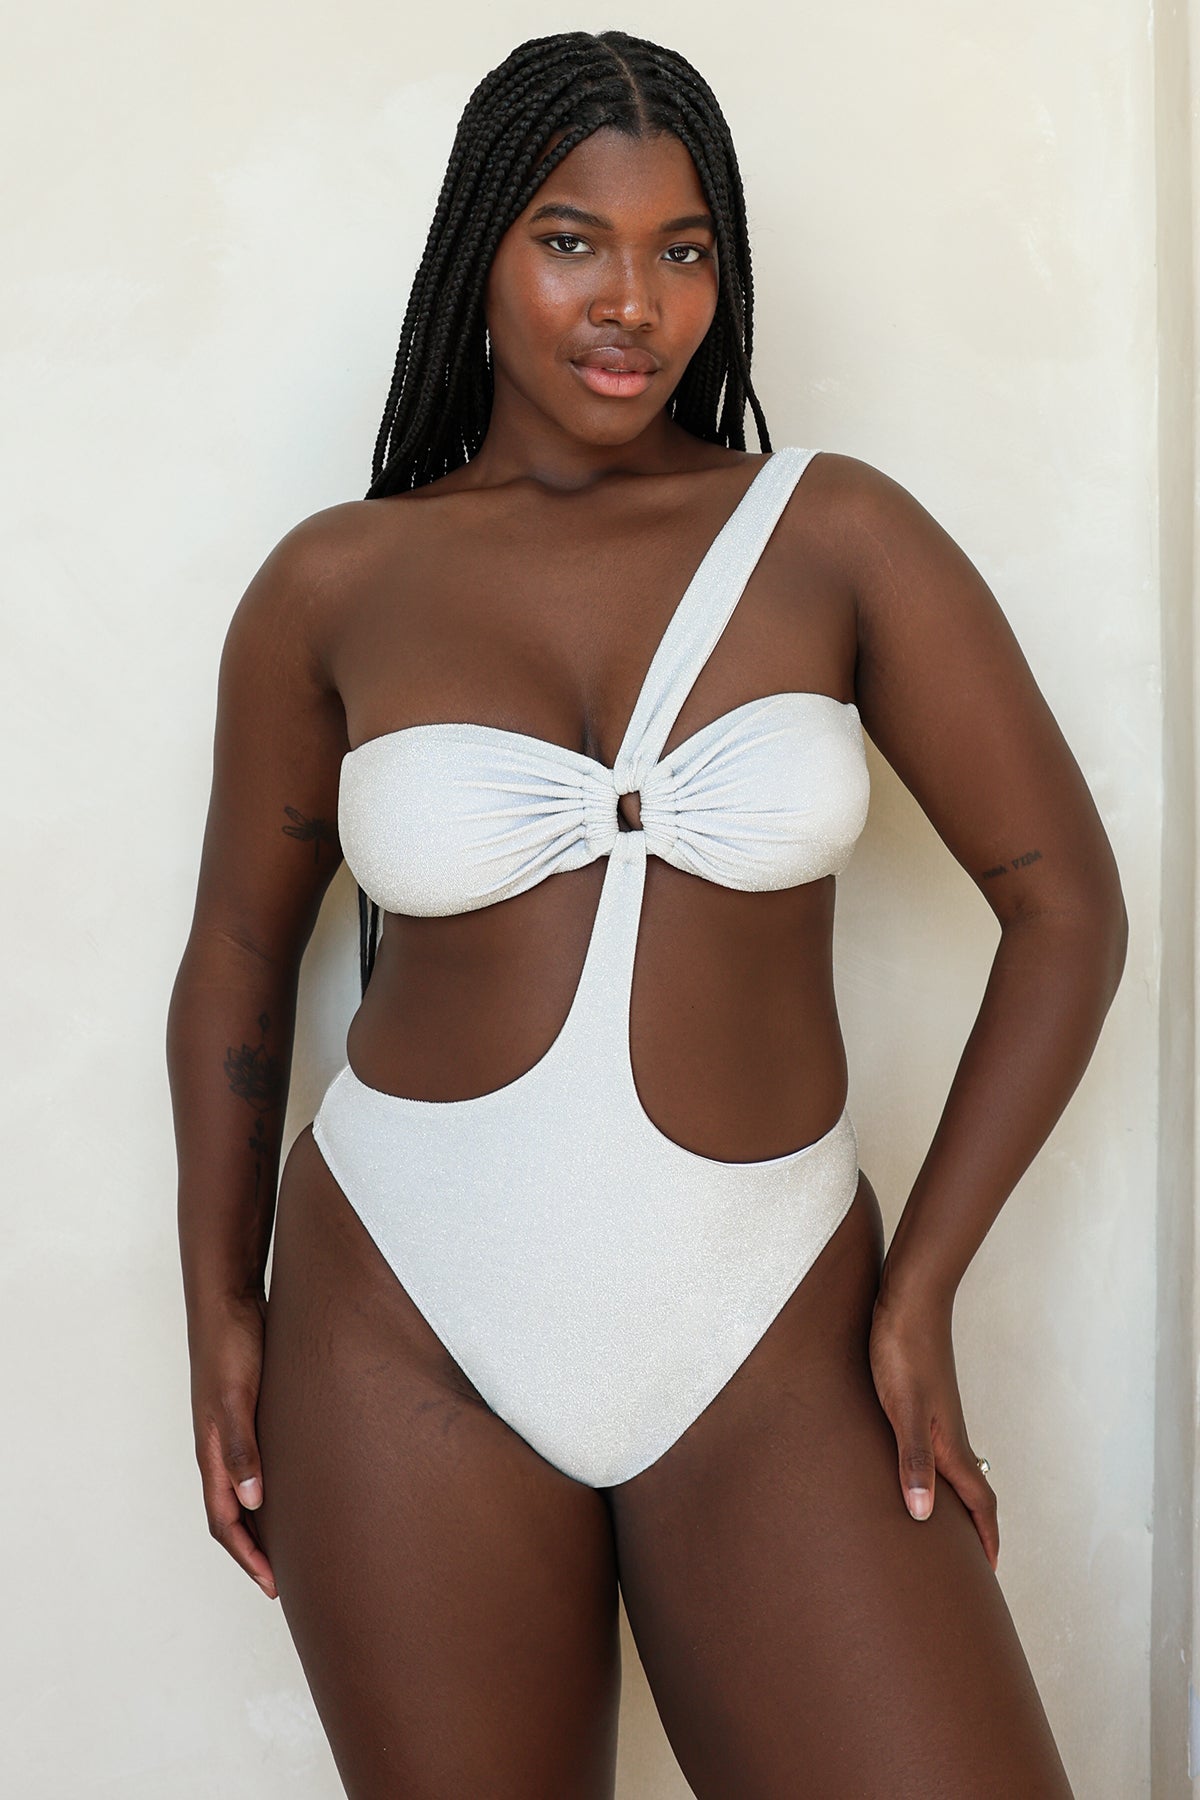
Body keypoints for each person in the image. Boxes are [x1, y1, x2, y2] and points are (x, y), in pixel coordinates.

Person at [166, 28, 1127, 1798]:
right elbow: (238, 954)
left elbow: (1067, 907)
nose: (633, 303)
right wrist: (220, 1302)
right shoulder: (336, 582)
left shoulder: (835, 535)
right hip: (402, 1318)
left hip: (771, 1317)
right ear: (480, 253)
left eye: (683, 251)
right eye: (572, 242)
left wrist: (919, 1292)